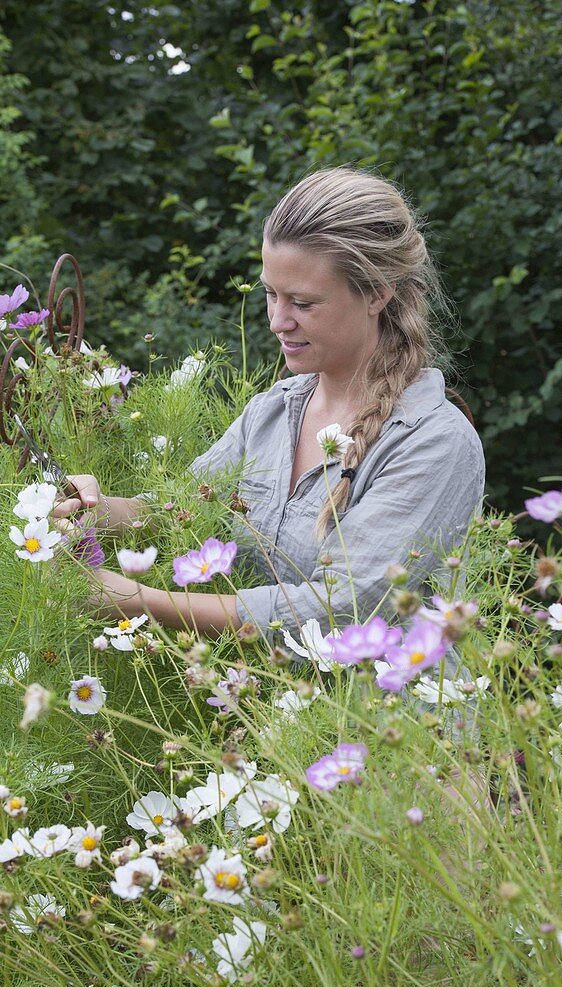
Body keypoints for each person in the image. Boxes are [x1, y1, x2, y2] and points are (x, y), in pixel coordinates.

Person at [53, 167, 486, 640]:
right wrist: (93, 510)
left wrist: (136, 602)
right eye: (270, 294)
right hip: (256, 704)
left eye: (303, 303)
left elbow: (345, 608)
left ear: (378, 293)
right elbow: (181, 511)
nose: (278, 321)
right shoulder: (273, 412)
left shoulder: (435, 442)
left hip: (381, 712)